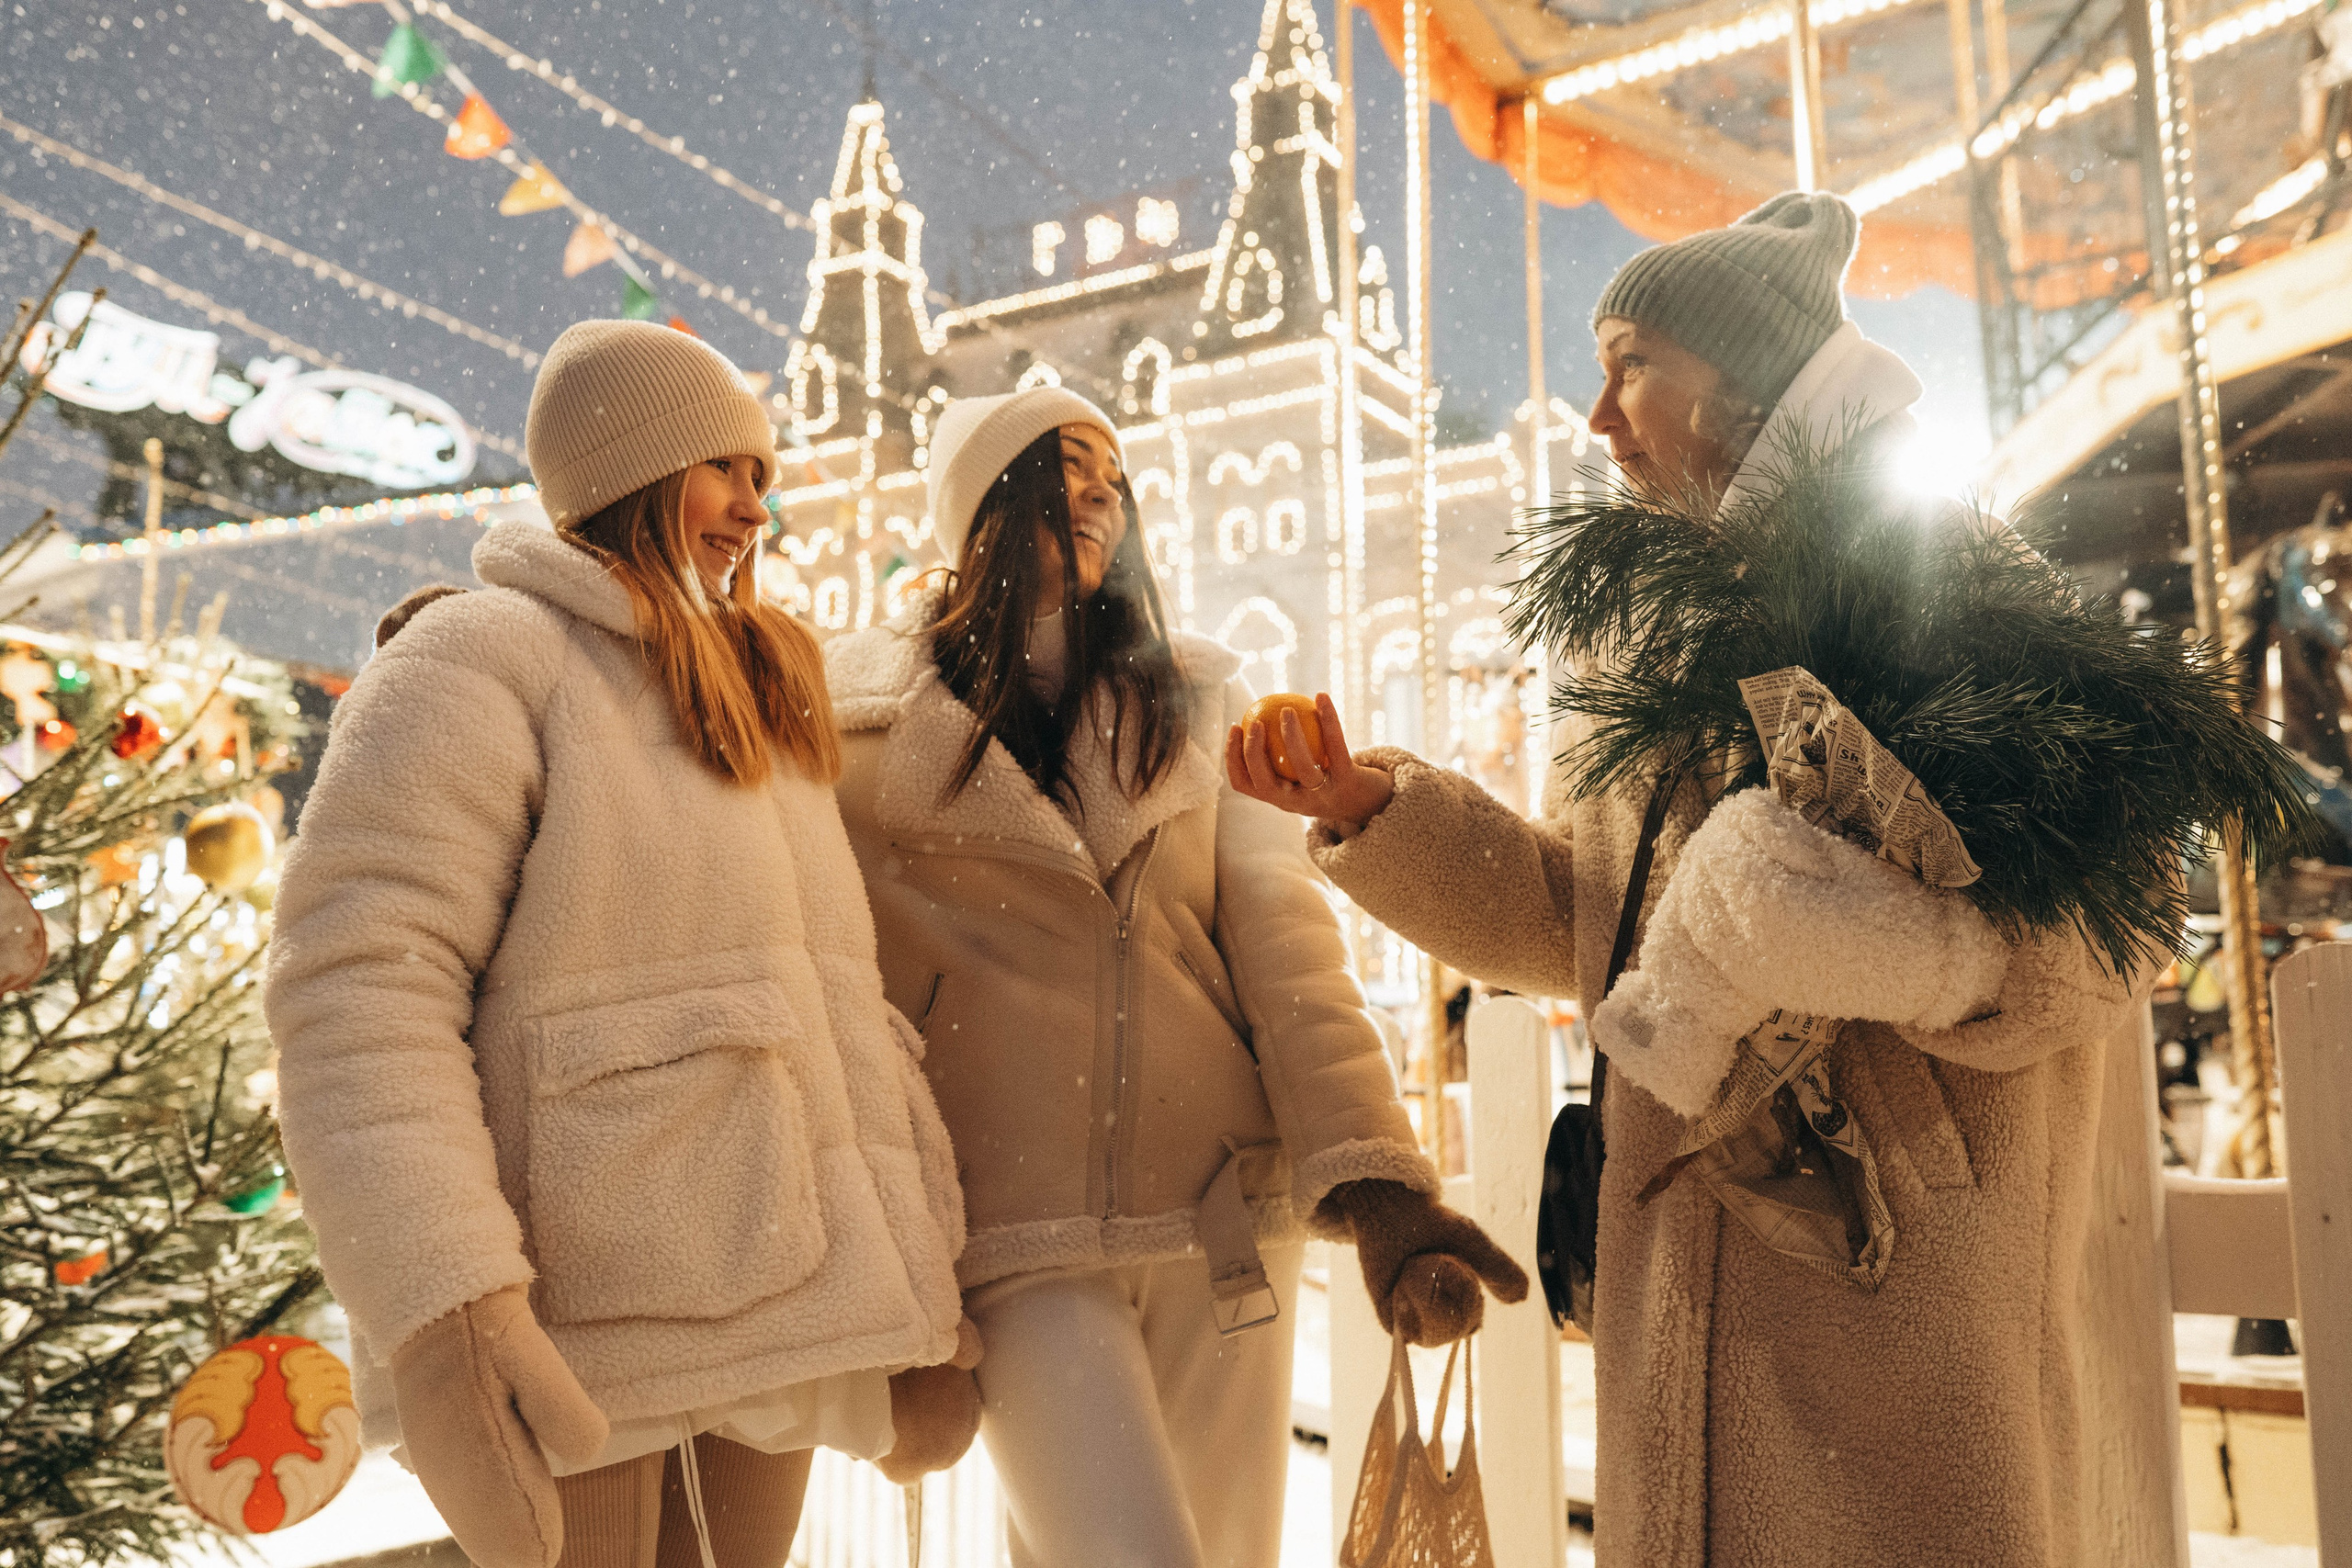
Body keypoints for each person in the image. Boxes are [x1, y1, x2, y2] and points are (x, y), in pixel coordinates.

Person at [1228, 194, 2139, 1567]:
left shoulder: (1946, 576)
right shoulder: (1638, 642)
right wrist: (1372, 810)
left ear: (1741, 376)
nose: (1598, 416)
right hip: (1681, 1279)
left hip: (1894, 1280)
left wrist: (1920, 961)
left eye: (1633, 364)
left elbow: (2105, 920)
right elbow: (1583, 919)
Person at [266, 321, 977, 1568]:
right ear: (626, 473)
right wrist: (448, 1301)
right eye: (724, 469)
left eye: (764, 476)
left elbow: (831, 1011)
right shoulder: (480, 660)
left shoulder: (759, 685)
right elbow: (361, 990)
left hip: (780, 1282)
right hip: (579, 1316)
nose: (757, 507)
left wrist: (914, 1298)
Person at [822, 387, 1527, 1568]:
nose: (1098, 495)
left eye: (1112, 476)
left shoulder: (1195, 702)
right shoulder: (860, 729)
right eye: (1065, 471)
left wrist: (1378, 1187)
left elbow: (1289, 957)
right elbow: (708, 797)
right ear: (985, 508)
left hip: (1222, 1220)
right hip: (1011, 1227)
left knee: (1220, 1550)